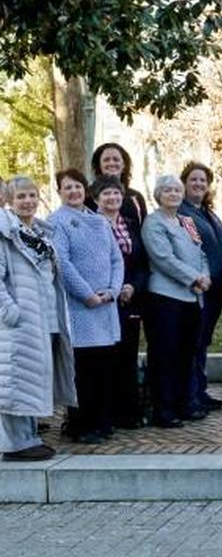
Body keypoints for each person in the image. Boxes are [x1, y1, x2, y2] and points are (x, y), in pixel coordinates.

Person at [0, 177, 76, 461]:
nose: (28, 201)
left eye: (32, 195)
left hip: (45, 318)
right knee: (16, 381)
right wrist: (11, 312)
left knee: (34, 379)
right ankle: (15, 443)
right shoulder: (5, 233)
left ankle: (28, 438)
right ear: (10, 200)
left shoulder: (40, 233)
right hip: (19, 322)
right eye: (21, 196)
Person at [49, 170, 123, 444]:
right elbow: (62, 263)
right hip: (80, 308)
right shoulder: (57, 222)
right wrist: (87, 294)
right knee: (83, 371)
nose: (73, 192)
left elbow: (117, 258)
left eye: (77, 186)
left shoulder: (99, 221)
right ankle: (81, 425)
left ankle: (103, 421)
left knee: (104, 368)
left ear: (85, 190)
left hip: (105, 306)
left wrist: (113, 290)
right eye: (67, 187)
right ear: (59, 192)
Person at [141, 175, 210, 428]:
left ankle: (185, 402)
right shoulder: (153, 222)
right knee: (165, 355)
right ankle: (164, 408)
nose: (173, 194)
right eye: (167, 190)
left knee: (187, 354)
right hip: (165, 298)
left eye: (177, 190)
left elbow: (200, 252)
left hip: (192, 298)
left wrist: (205, 276)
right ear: (158, 194)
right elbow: (163, 258)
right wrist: (194, 278)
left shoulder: (187, 221)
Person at [92, 175, 148, 429]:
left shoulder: (130, 224)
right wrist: (114, 288)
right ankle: (107, 412)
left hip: (129, 299)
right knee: (106, 357)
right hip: (102, 299)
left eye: (116, 193)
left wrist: (132, 286)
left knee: (127, 355)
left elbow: (141, 262)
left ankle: (128, 412)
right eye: (106, 194)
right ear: (96, 199)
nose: (112, 198)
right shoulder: (92, 225)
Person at [179, 162, 222, 413]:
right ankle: (191, 395)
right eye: (193, 180)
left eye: (203, 181)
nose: (198, 184)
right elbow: (195, 246)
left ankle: (201, 389)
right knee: (194, 341)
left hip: (216, 289)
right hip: (200, 287)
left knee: (203, 341)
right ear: (184, 183)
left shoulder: (209, 214)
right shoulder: (185, 215)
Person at [89, 142, 148, 226]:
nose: (111, 163)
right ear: (99, 166)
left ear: (124, 165)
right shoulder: (88, 196)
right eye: (106, 160)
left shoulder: (136, 197)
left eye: (116, 159)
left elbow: (143, 228)